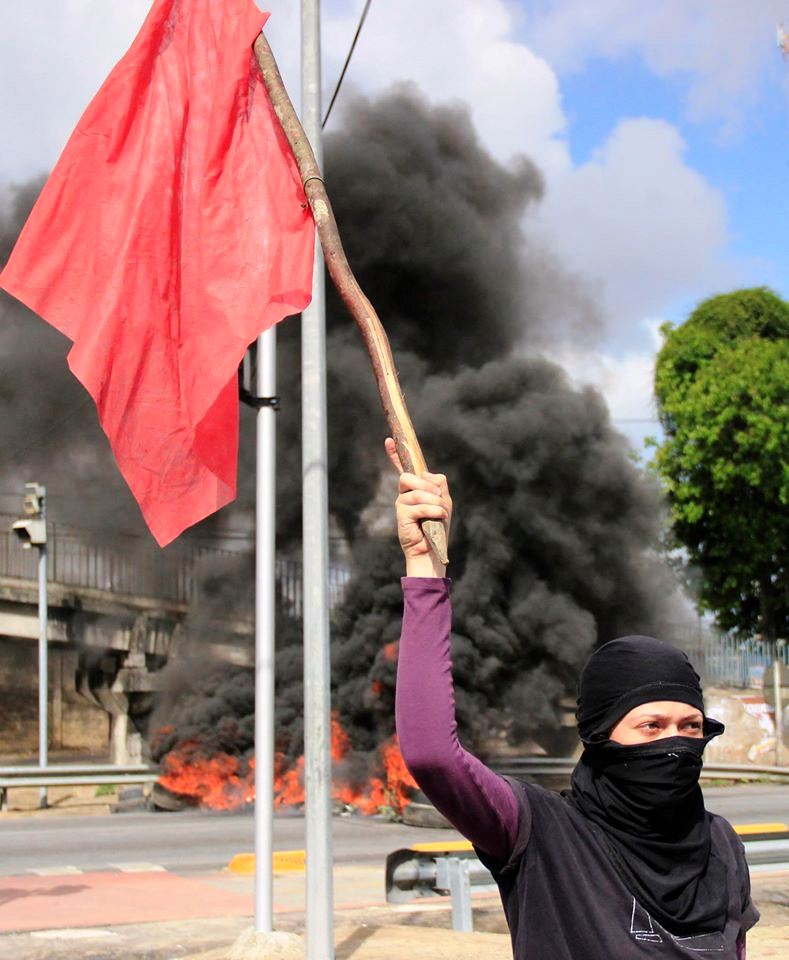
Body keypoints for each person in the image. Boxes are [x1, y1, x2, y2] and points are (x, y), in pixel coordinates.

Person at [386, 439, 759, 960]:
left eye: (691, 727)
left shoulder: (720, 844)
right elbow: (431, 754)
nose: (675, 744)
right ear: (601, 737)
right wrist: (424, 567)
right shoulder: (540, 833)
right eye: (651, 727)